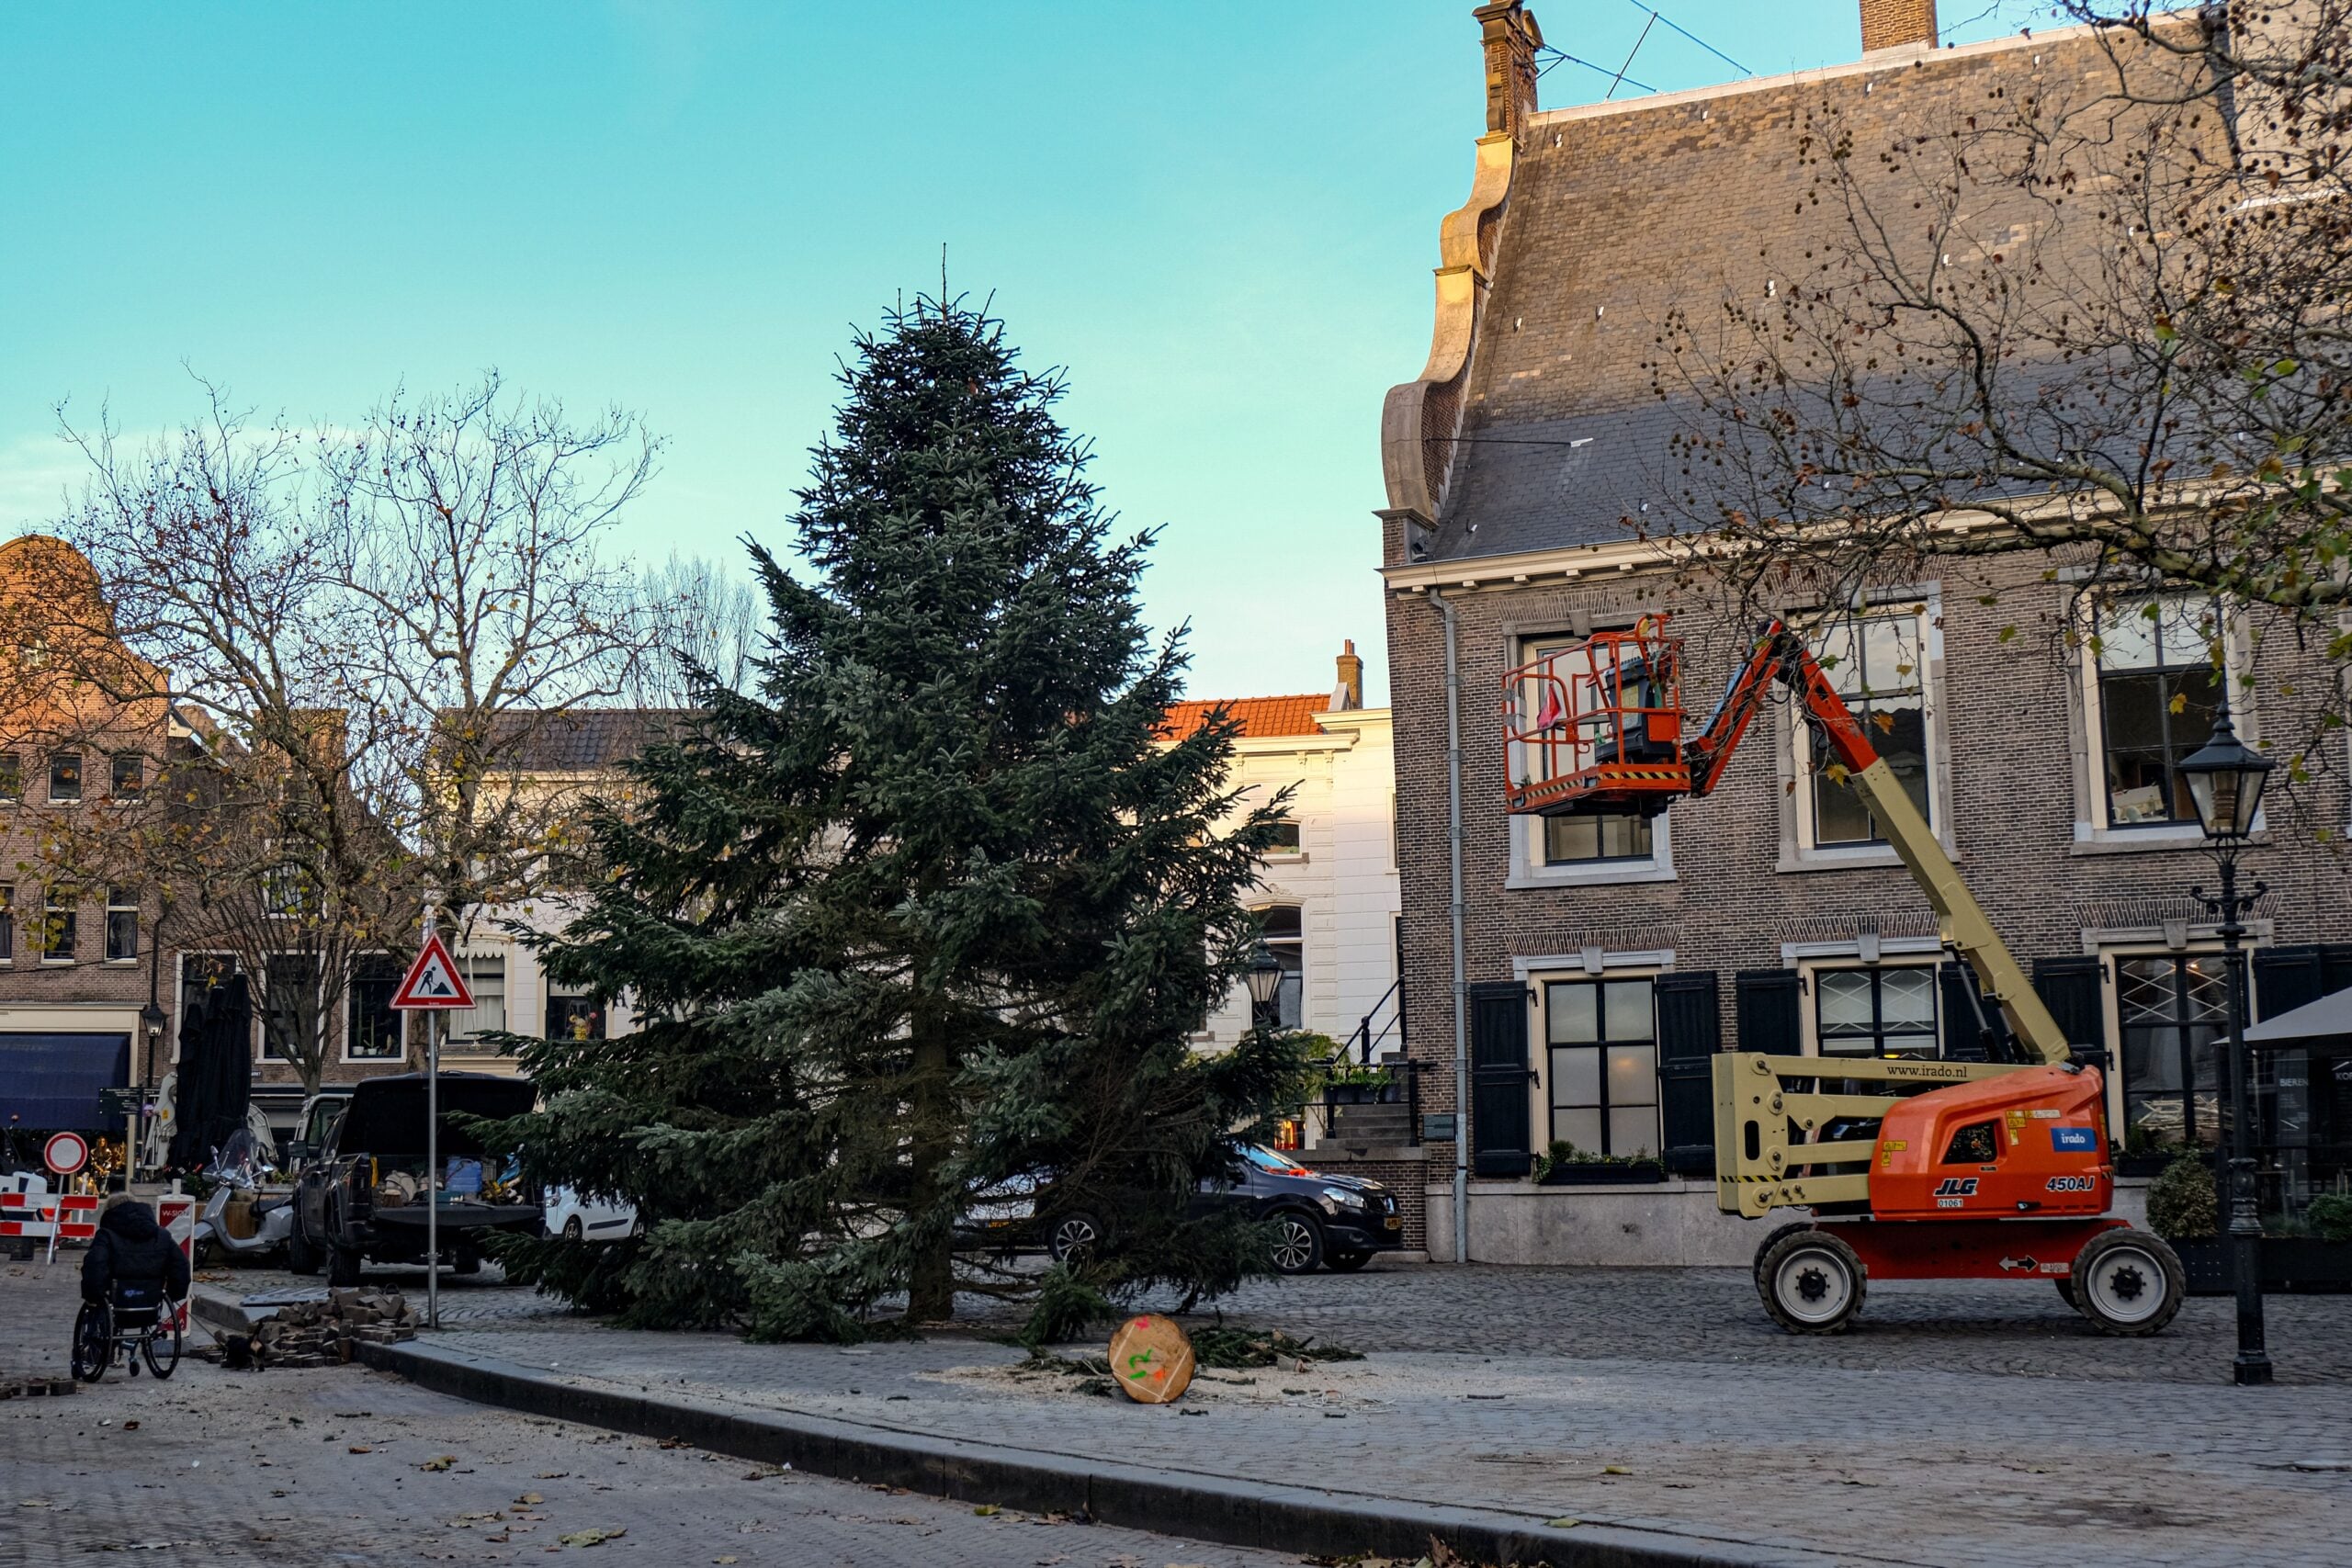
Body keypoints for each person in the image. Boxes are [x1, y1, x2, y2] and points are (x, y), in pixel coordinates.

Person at [81, 1196, 190, 1311]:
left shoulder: (106, 1235)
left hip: (116, 1299)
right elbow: (180, 1265)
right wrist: (174, 1294)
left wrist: (93, 1296)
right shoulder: (161, 1235)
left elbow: (95, 1265)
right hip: (151, 1299)